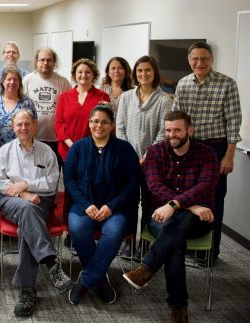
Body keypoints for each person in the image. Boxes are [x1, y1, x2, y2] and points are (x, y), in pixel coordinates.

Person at [123, 111, 219, 323]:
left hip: (198, 220)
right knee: (175, 242)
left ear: (189, 131)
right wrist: (189, 205)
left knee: (178, 225)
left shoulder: (207, 153)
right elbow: (154, 186)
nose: (172, 134)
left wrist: (175, 204)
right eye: (168, 130)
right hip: (160, 216)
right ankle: (178, 308)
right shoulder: (155, 152)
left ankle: (147, 268)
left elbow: (206, 185)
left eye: (177, 130)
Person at [0, 110, 69, 317]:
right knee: (28, 209)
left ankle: (27, 290)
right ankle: (51, 262)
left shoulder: (47, 152)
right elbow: (0, 184)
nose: (23, 128)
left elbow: (52, 183)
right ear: (12, 126)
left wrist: (26, 184)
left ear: (35, 125)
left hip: (42, 201)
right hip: (11, 201)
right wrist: (25, 194)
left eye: (27, 123)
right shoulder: (4, 152)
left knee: (29, 219)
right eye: (19, 124)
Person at [64, 104, 140, 305]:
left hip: (116, 208)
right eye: (95, 121)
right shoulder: (78, 147)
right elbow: (69, 180)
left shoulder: (125, 149)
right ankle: (101, 281)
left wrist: (111, 206)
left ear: (112, 125)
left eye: (105, 122)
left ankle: (86, 281)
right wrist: (85, 204)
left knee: (114, 233)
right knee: (78, 230)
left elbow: (133, 183)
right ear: (89, 123)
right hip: (84, 205)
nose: (99, 125)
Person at [173, 41, 242, 261]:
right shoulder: (183, 84)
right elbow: (176, 117)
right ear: (189, 60)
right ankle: (189, 245)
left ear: (211, 60)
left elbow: (233, 122)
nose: (199, 63)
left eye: (204, 58)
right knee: (187, 197)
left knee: (214, 198)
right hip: (189, 148)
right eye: (195, 58)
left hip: (215, 147)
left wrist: (229, 155)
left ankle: (210, 252)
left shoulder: (227, 84)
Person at [116, 56, 172, 258]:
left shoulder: (164, 100)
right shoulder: (127, 97)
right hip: (128, 160)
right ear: (135, 74)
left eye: (148, 70)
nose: (143, 74)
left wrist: (147, 157)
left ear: (154, 72)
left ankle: (146, 245)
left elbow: (163, 133)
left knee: (149, 203)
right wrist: (130, 156)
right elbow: (120, 128)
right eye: (140, 71)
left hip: (154, 162)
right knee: (128, 201)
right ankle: (129, 242)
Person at [22, 47, 71, 166]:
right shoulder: (27, 80)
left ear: (54, 63)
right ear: (36, 62)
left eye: (49, 60)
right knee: (36, 176)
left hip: (57, 139)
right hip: (34, 138)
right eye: (42, 60)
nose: (45, 63)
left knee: (53, 176)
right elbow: (22, 108)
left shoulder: (63, 82)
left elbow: (69, 110)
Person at [55, 58, 110, 163]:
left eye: (88, 72)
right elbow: (59, 124)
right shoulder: (64, 97)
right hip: (68, 151)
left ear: (93, 75)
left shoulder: (102, 96)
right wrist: (72, 145)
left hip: (93, 152)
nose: (83, 75)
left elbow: (106, 124)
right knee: (70, 179)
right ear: (75, 75)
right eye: (80, 72)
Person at [0, 66, 37, 157]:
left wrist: (27, 149)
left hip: (22, 152)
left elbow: (34, 127)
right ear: (3, 82)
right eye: (9, 79)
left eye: (15, 79)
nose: (12, 82)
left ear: (19, 83)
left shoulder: (27, 103)